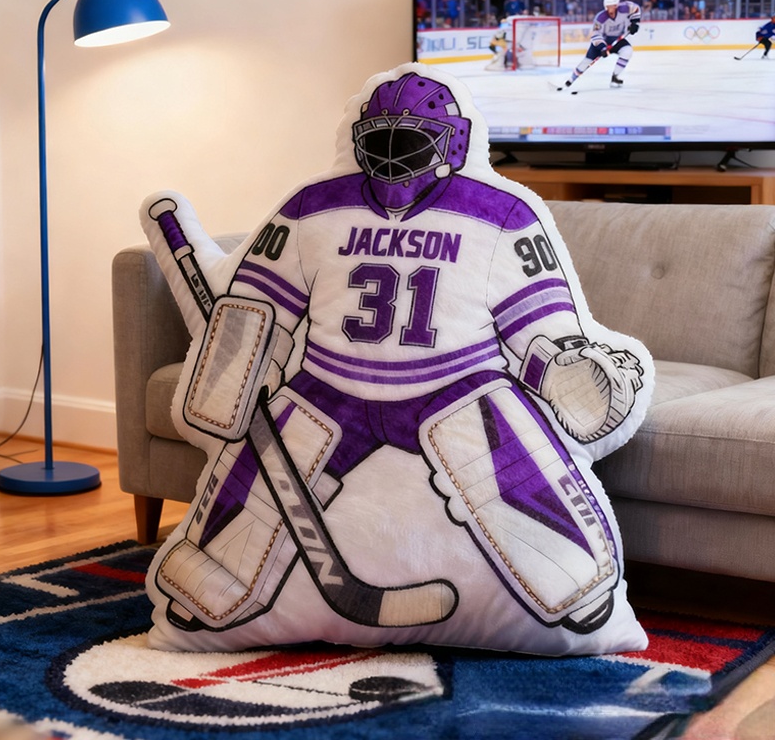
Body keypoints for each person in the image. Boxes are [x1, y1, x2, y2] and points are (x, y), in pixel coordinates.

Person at [144, 68, 645, 638]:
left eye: (407, 142)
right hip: (331, 385)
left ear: (451, 144)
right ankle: (209, 584)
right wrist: (243, 364)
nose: (389, 158)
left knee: (506, 455)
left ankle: (572, 579)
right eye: (377, 141)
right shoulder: (313, 206)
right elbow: (260, 300)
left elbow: (537, 325)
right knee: (266, 470)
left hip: (454, 383)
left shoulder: (501, 214)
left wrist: (563, 370)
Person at [563, 0, 641, 89]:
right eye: (607, 7)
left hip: (617, 39)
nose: (608, 9)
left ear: (616, 6)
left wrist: (635, 22)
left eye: (611, 7)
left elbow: (636, 9)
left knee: (627, 51)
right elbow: (596, 35)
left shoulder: (625, 8)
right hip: (601, 41)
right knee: (587, 61)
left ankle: (615, 77)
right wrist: (603, 48)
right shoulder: (600, 18)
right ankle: (571, 80)